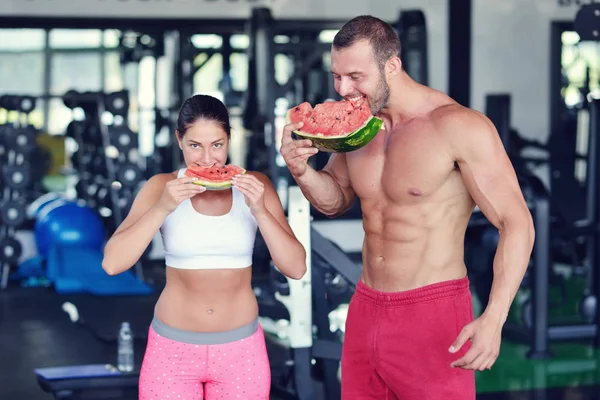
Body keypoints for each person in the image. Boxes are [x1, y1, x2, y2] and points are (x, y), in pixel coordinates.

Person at [280, 15, 535, 400]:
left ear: (392, 65)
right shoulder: (359, 128)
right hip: (365, 307)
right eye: (337, 76)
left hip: (433, 313)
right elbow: (334, 201)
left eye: (355, 76)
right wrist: (301, 170)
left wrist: (495, 317)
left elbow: (517, 223)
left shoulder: (459, 127)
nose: (343, 88)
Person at [102, 94, 307, 400]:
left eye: (217, 145)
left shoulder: (254, 185)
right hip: (172, 351)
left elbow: (296, 267)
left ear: (229, 139)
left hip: (241, 351)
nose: (208, 160)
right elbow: (112, 263)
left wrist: (260, 210)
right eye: (195, 145)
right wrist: (162, 207)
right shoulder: (161, 186)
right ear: (179, 140)